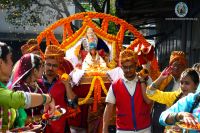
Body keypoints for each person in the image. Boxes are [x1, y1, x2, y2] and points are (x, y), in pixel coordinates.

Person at [0, 42, 55, 132]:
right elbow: (18, 99)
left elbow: (4, 125)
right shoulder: (16, 89)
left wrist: (19, 130)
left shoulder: (40, 85)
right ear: (1, 62)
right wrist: (48, 99)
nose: (12, 64)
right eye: (10, 59)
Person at [103, 49, 152, 133]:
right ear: (121, 67)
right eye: (125, 67)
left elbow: (151, 101)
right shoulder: (115, 85)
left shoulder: (146, 80)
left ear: (136, 66)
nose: (128, 70)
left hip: (144, 129)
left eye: (131, 67)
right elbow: (109, 108)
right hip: (123, 130)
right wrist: (104, 129)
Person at [42, 45, 77, 133]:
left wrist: (67, 86)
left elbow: (73, 105)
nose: (50, 68)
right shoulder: (36, 81)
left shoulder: (63, 82)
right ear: (44, 63)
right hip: (40, 126)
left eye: (54, 66)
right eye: (48, 64)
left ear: (59, 67)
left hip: (60, 126)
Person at [151, 51, 187, 133]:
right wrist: (160, 78)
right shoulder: (164, 79)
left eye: (180, 65)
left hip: (179, 126)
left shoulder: (189, 84)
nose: (177, 68)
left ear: (185, 68)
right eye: (174, 65)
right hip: (161, 123)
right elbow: (150, 92)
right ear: (170, 67)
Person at [9, 53, 48, 127]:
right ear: (35, 70)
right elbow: (20, 118)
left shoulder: (40, 84)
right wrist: (41, 117)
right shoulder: (18, 89)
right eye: (42, 66)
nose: (44, 69)